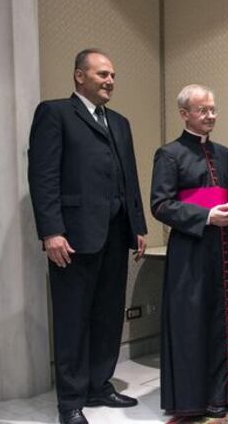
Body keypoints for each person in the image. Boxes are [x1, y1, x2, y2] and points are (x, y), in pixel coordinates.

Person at [27, 48, 147, 424]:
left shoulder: (121, 122)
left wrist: (138, 224)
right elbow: (42, 176)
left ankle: (99, 385)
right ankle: (71, 402)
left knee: (108, 316)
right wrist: (51, 232)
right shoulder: (55, 113)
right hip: (73, 237)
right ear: (80, 76)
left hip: (115, 234)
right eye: (102, 74)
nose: (110, 81)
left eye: (112, 75)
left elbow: (130, 177)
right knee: (72, 319)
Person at [150, 84, 228, 418]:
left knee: (226, 317)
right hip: (190, 252)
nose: (211, 115)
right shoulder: (169, 153)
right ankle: (197, 398)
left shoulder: (224, 153)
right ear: (184, 114)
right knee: (194, 322)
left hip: (223, 247)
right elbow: (161, 205)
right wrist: (207, 215)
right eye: (203, 110)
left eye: (213, 109)